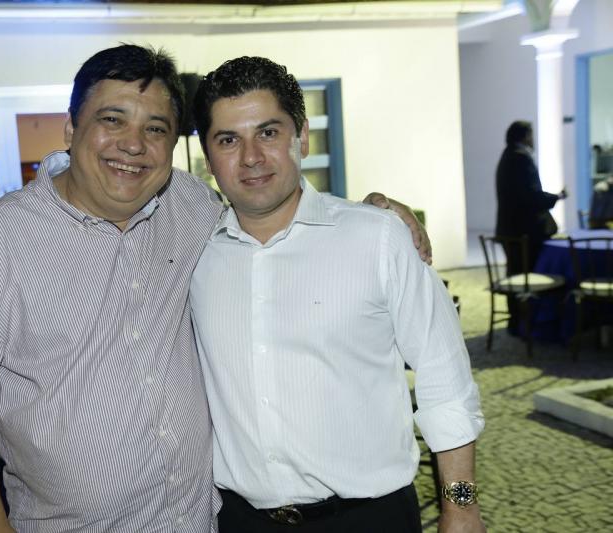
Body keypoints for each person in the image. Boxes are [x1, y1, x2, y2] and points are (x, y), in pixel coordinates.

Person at [0, 44, 430, 532]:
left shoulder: (192, 207)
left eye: (155, 128)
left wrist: (368, 214)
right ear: (71, 127)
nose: (133, 144)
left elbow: (272, 209)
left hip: (200, 520)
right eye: (112, 119)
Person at [190, 56, 485, 533]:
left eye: (268, 132)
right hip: (240, 521)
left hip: (369, 519)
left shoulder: (379, 238)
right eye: (228, 140)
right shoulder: (191, 253)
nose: (251, 157)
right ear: (208, 155)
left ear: (302, 137)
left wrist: (462, 506)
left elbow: (446, 380)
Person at [495, 120, 567, 334]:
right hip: (524, 232)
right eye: (531, 134)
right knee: (526, 276)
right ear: (525, 136)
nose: (533, 139)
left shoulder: (507, 156)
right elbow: (530, 196)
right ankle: (527, 323)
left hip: (509, 229)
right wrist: (556, 197)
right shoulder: (521, 158)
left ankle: (516, 322)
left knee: (515, 274)